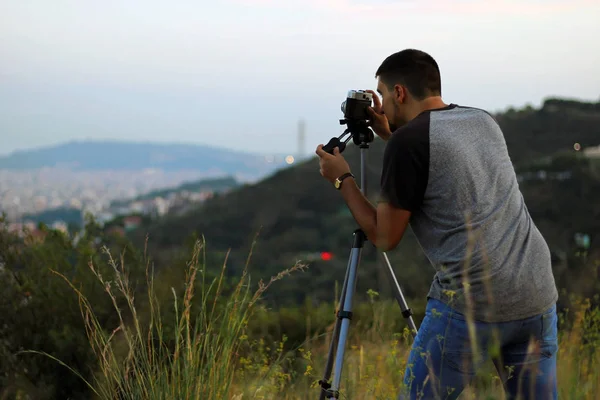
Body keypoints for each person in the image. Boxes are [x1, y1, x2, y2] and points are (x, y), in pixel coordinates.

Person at [315, 49, 559, 399]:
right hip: (535, 291)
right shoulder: (481, 120)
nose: (380, 104)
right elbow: (438, 163)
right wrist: (390, 133)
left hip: (472, 303)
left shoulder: (408, 143)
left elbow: (384, 237)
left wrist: (343, 180)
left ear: (399, 92)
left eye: (382, 94)